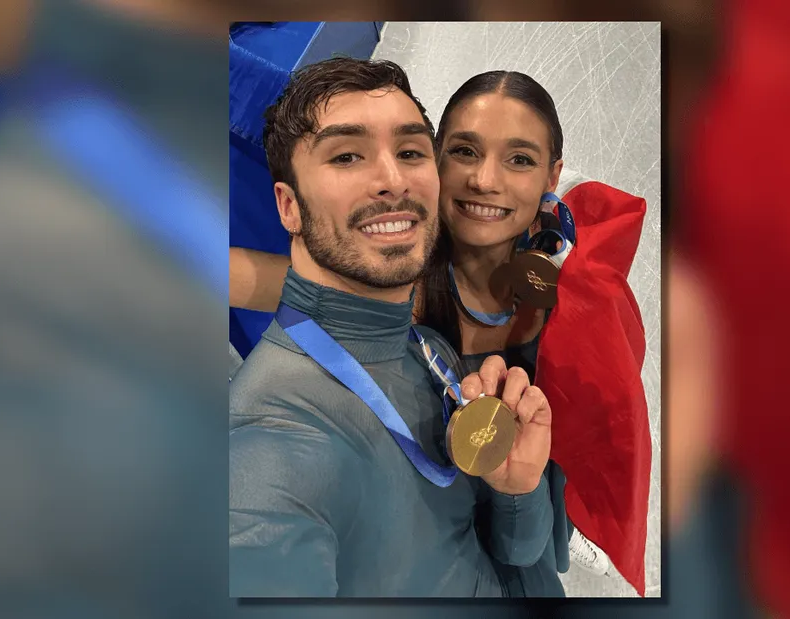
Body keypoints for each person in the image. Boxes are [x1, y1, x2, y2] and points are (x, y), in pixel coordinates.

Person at [229, 69, 636, 581]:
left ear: (551, 177)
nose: (485, 179)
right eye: (464, 151)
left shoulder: (570, 278)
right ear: (439, 158)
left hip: (528, 477)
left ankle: (566, 529)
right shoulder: (391, 281)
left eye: (519, 160)